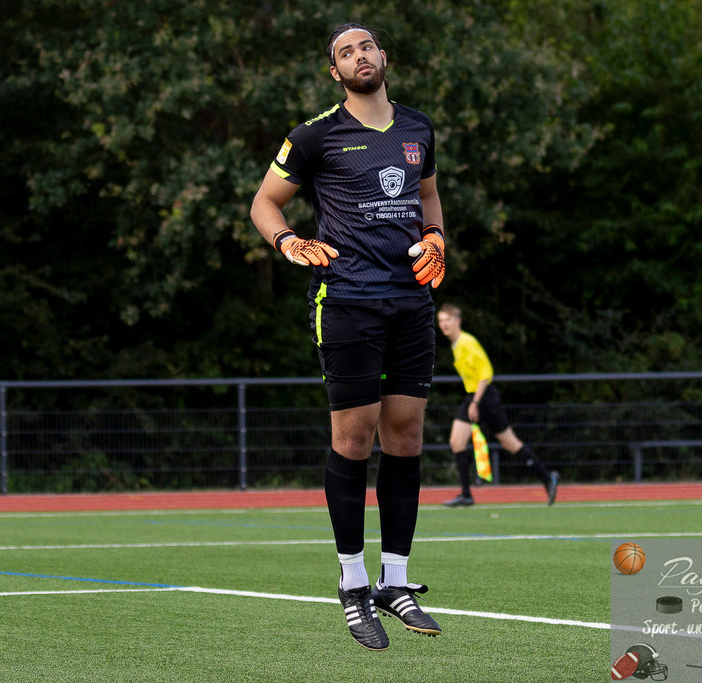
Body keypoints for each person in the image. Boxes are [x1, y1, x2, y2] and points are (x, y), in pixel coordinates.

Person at [250, 21, 445, 651]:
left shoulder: (418, 128)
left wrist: (437, 240)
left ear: (383, 57)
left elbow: (429, 199)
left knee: (406, 435)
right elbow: (263, 203)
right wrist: (288, 241)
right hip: (347, 301)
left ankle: (396, 581)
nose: (359, 56)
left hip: (411, 301)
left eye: (366, 46)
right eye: (345, 52)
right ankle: (353, 583)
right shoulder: (314, 135)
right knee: (354, 439)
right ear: (335, 72)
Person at [436, 303, 559, 507]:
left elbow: (486, 374)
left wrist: (475, 403)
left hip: (484, 398)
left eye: (447, 320)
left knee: (510, 443)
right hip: (473, 396)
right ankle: (466, 495)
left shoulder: (467, 342)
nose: (444, 324)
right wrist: (472, 401)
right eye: (440, 321)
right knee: (456, 442)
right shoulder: (456, 344)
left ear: (458, 321)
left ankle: (548, 478)